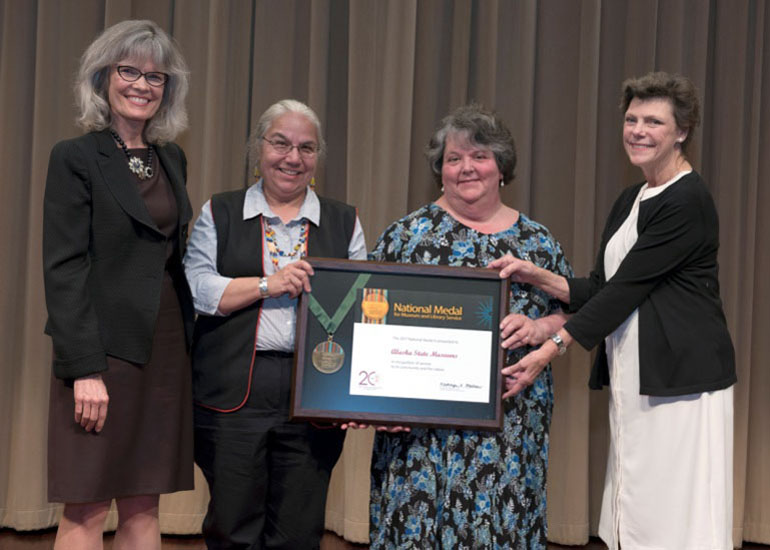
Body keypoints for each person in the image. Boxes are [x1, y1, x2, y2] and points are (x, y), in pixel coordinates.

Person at [492, 72, 736, 550]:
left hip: (681, 381)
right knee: (638, 507)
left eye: (653, 121)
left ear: (682, 131)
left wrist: (550, 348)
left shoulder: (687, 200)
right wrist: (535, 275)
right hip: (636, 374)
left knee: (675, 516)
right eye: (631, 119)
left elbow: (626, 291)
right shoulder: (632, 198)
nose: (638, 130)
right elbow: (604, 287)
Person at [365, 104, 572, 549]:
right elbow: (366, 320)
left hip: (512, 422)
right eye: (453, 159)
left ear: (501, 167)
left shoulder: (538, 241)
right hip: (418, 429)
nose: (466, 168)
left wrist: (540, 329)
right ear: (440, 170)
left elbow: (573, 312)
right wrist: (376, 402)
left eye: (479, 156)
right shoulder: (406, 236)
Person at [183, 99, 367, 549]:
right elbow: (199, 290)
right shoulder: (219, 212)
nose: (292, 157)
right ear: (257, 149)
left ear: (317, 158)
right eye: (280, 143)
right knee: (232, 526)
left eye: (306, 148)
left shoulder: (344, 221)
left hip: (314, 393)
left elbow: (361, 313)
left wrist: (357, 394)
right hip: (232, 391)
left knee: (299, 531)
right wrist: (269, 284)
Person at [42, 20, 194, 550]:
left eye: (156, 76)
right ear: (103, 78)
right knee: (85, 506)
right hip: (101, 356)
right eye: (129, 71)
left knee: (142, 502)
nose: (142, 85)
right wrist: (84, 369)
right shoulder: (76, 157)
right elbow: (64, 269)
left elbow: (171, 258)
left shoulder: (170, 158)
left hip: (165, 350)